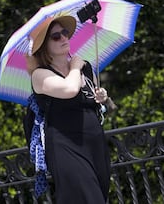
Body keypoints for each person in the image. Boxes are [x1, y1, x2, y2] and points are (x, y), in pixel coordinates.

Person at [28, 15, 111, 203]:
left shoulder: (85, 67)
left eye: (65, 33)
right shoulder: (40, 75)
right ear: (44, 46)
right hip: (66, 147)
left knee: (99, 195)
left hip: (95, 144)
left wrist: (102, 97)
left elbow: (95, 100)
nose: (64, 38)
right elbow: (70, 90)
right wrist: (75, 67)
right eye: (56, 37)